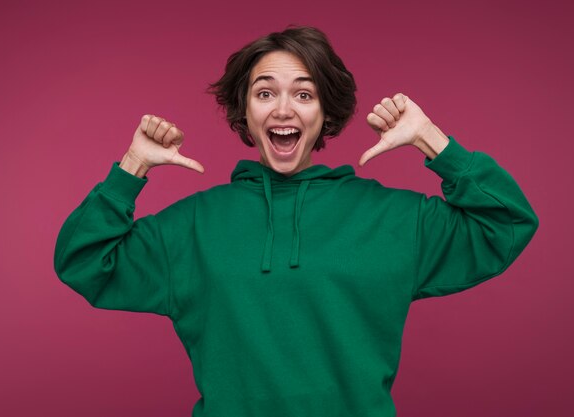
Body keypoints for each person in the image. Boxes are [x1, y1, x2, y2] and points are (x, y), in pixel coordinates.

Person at [54, 25, 538, 417]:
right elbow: (84, 260)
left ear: (325, 113)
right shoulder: (193, 227)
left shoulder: (393, 219)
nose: (284, 108)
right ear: (245, 111)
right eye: (265, 93)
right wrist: (132, 166)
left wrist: (433, 140)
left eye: (304, 95)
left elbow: (506, 223)